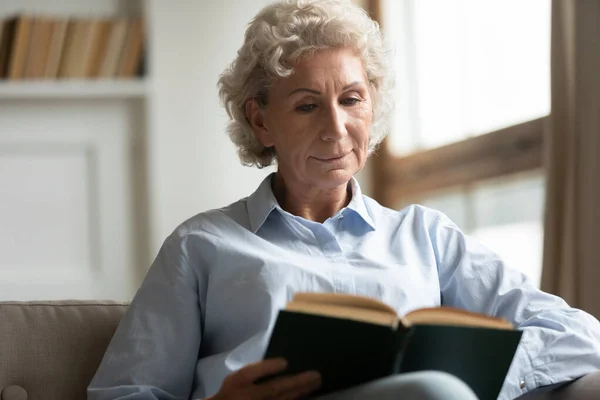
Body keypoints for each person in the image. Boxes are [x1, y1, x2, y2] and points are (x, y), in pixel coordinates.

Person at [87, 1, 600, 399]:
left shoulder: (426, 237)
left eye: (351, 99)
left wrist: (475, 376)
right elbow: (122, 393)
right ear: (261, 121)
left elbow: (580, 336)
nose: (336, 129)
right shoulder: (201, 246)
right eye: (307, 105)